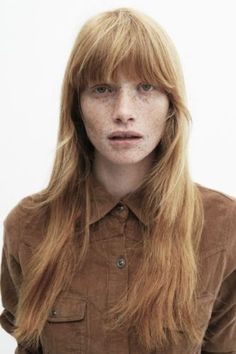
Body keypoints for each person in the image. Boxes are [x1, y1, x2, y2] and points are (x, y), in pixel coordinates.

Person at [1, 7, 236, 354]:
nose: (124, 111)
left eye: (145, 87)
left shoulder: (222, 225)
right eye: (101, 89)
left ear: (171, 103)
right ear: (76, 106)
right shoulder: (30, 225)